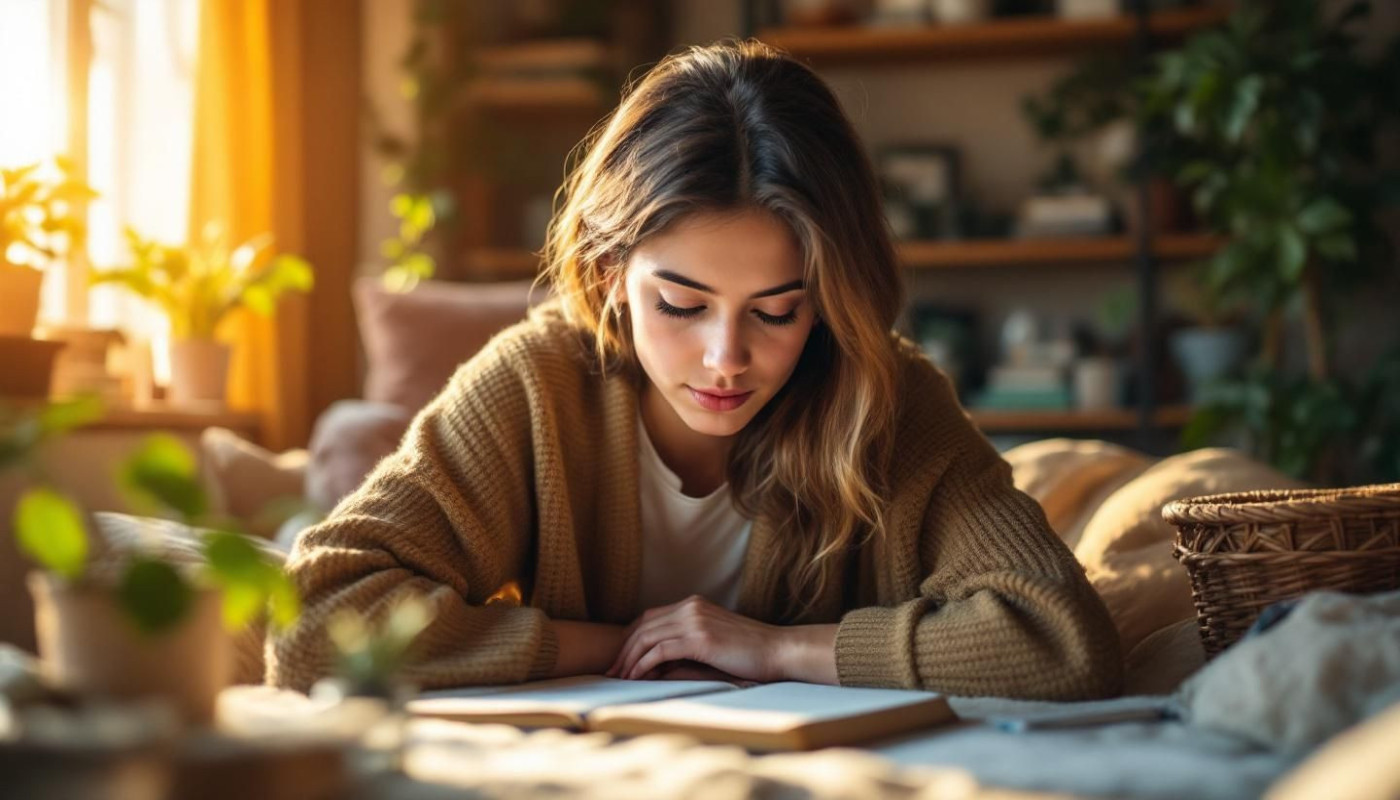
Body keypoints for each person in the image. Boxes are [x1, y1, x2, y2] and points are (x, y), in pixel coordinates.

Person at [268, 39, 1122, 700]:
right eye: (681, 305)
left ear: (825, 301)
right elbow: (313, 619)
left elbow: (1062, 642)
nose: (726, 359)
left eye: (778, 310)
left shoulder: (887, 398)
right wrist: (620, 642)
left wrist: (767, 647)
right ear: (611, 276)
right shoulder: (536, 384)